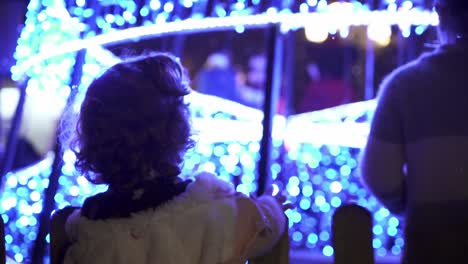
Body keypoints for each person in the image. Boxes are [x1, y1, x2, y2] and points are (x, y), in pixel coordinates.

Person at [59, 53, 290, 264]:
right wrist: (272, 205)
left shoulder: (85, 229)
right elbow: (264, 225)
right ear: (177, 131)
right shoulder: (212, 214)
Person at [360, 0, 468, 263]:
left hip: (433, 247)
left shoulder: (405, 86)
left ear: (441, 14)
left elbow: (378, 175)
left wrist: (414, 206)